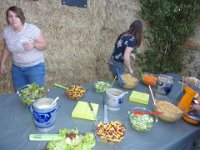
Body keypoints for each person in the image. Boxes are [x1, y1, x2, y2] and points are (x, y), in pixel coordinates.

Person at [0, 6, 47, 91]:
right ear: (7, 18)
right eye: (10, 16)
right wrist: (1, 63)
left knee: (36, 95)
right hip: (17, 69)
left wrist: (34, 45)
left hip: (34, 68)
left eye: (16, 16)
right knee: (21, 95)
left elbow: (44, 45)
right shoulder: (7, 31)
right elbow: (6, 48)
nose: (13, 19)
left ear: (21, 17)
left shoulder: (32, 29)